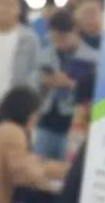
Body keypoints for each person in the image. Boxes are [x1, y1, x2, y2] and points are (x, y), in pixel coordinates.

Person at [34, 10, 99, 160]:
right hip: (45, 121)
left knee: (67, 168)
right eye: (54, 39)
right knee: (38, 167)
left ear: (75, 31)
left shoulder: (93, 58)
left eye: (62, 38)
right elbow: (30, 79)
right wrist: (44, 80)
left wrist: (72, 85)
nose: (58, 43)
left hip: (74, 124)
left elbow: (94, 93)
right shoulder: (45, 52)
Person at [0, 0, 41, 120]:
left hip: (16, 110)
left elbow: (34, 75)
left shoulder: (29, 39)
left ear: (20, 8)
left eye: (11, 4)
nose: (5, 8)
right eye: (0, 2)